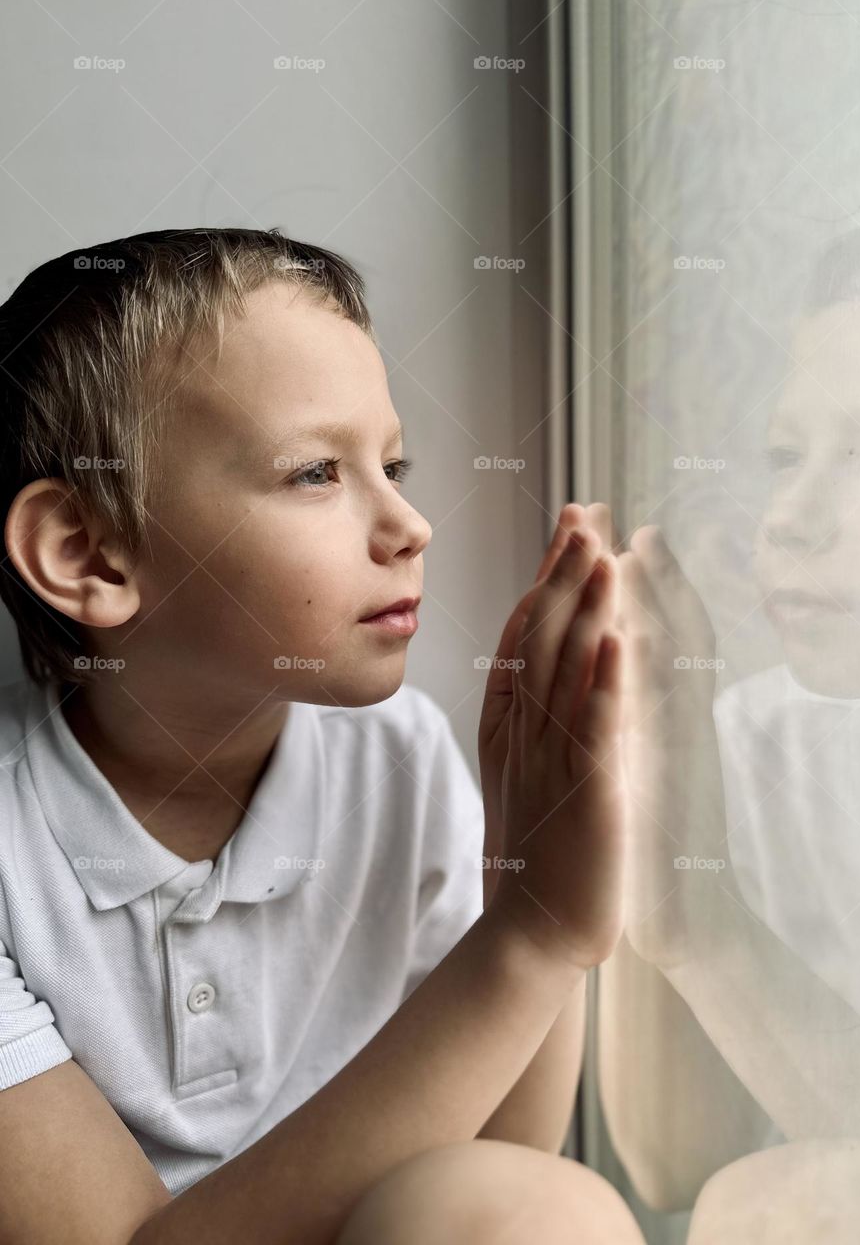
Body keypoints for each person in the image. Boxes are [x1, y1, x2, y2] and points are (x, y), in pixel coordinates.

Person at [0, 228, 643, 1244]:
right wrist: (532, 934)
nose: (411, 524)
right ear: (90, 554)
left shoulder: (399, 757)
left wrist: (537, 896)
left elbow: (495, 1171)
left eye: (392, 464)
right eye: (313, 472)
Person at [598, 210, 860, 1241]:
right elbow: (671, 1156)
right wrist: (661, 858)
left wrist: (716, 932)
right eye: (786, 455)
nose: (789, 517)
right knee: (769, 1202)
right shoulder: (755, 746)